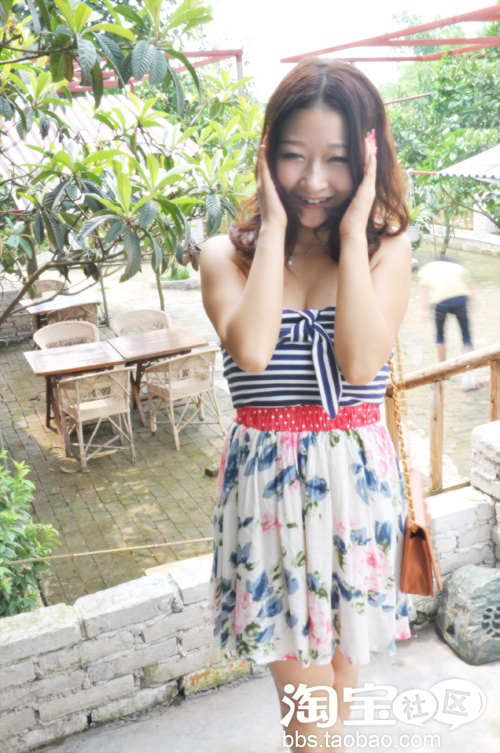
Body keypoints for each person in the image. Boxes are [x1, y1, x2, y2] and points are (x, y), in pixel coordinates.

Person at [200, 58, 412, 752]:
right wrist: (273, 228)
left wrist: (351, 236)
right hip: (270, 502)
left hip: (357, 500)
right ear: (266, 155)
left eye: (338, 159)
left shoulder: (385, 251)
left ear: (369, 160)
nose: (314, 181)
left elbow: (360, 363)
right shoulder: (224, 257)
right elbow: (254, 349)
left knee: (335, 705)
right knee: (310, 726)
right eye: (293, 156)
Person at [418, 256, 485, 390]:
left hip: (440, 302)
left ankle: (444, 371)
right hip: (460, 300)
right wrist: (474, 302)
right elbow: (469, 287)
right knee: (466, 337)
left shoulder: (429, 267)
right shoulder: (458, 268)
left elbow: (424, 287)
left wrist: (423, 310)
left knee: (440, 335)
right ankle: (467, 375)